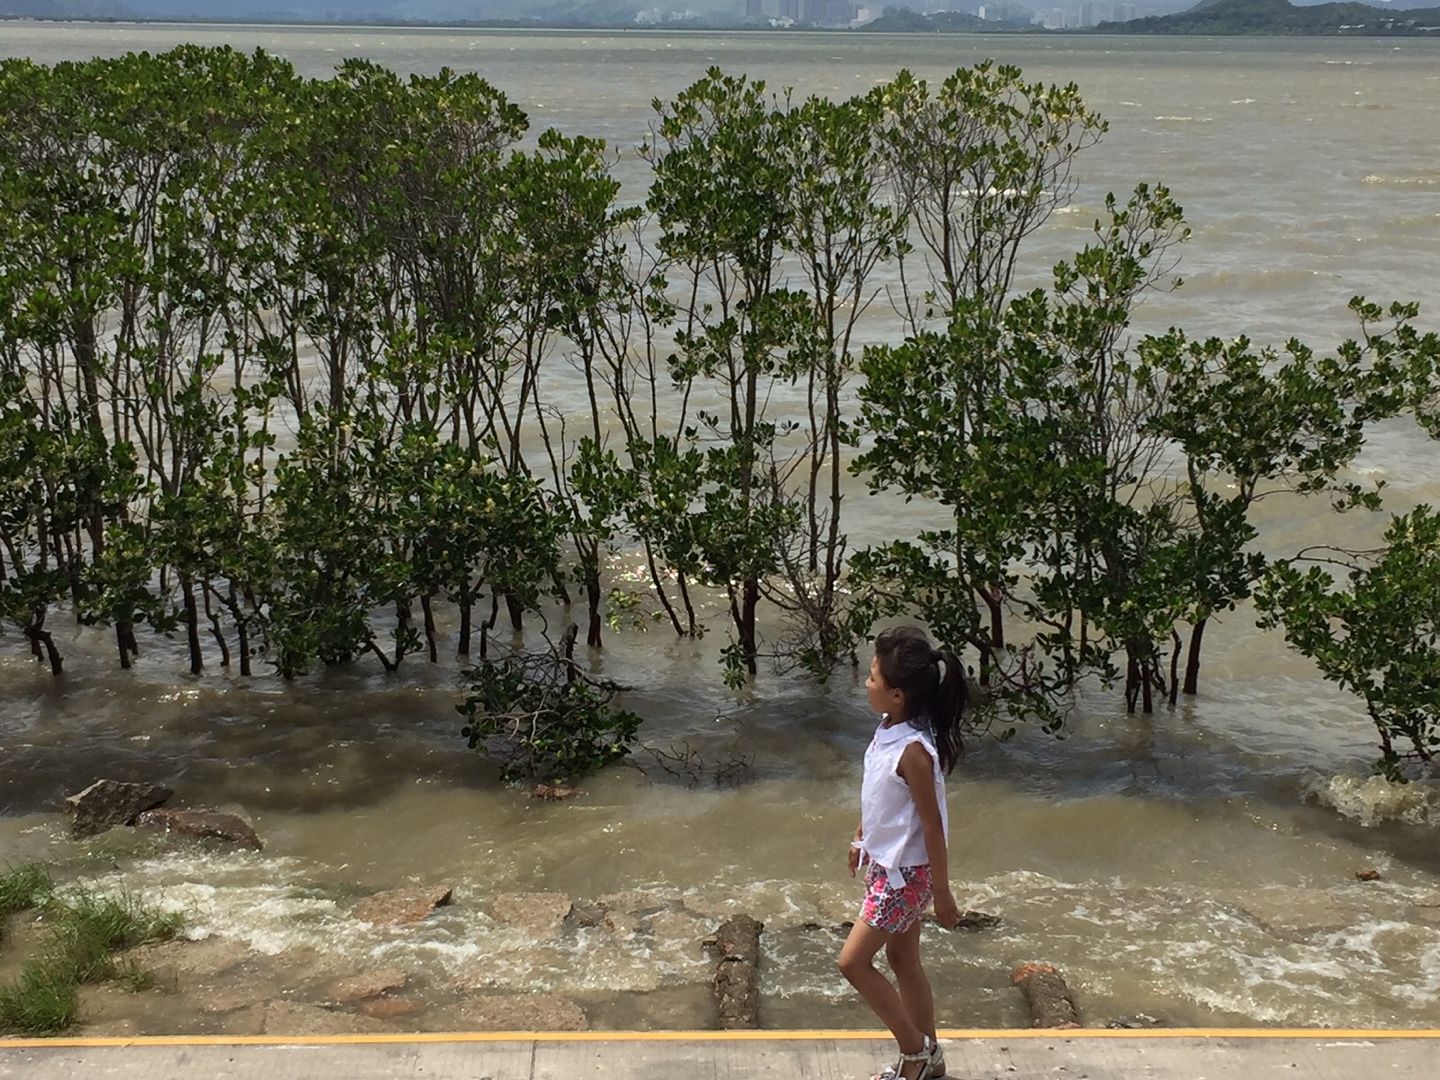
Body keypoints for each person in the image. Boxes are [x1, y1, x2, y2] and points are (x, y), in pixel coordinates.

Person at [839, 625, 966, 1080]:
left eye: (873, 678)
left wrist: (944, 892)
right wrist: (861, 837)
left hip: (907, 876)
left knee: (852, 962)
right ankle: (932, 1058)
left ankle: (915, 1052)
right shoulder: (888, 729)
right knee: (903, 960)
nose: (867, 683)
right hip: (887, 865)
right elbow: (880, 797)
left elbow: (932, 826)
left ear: (897, 694)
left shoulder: (915, 750)